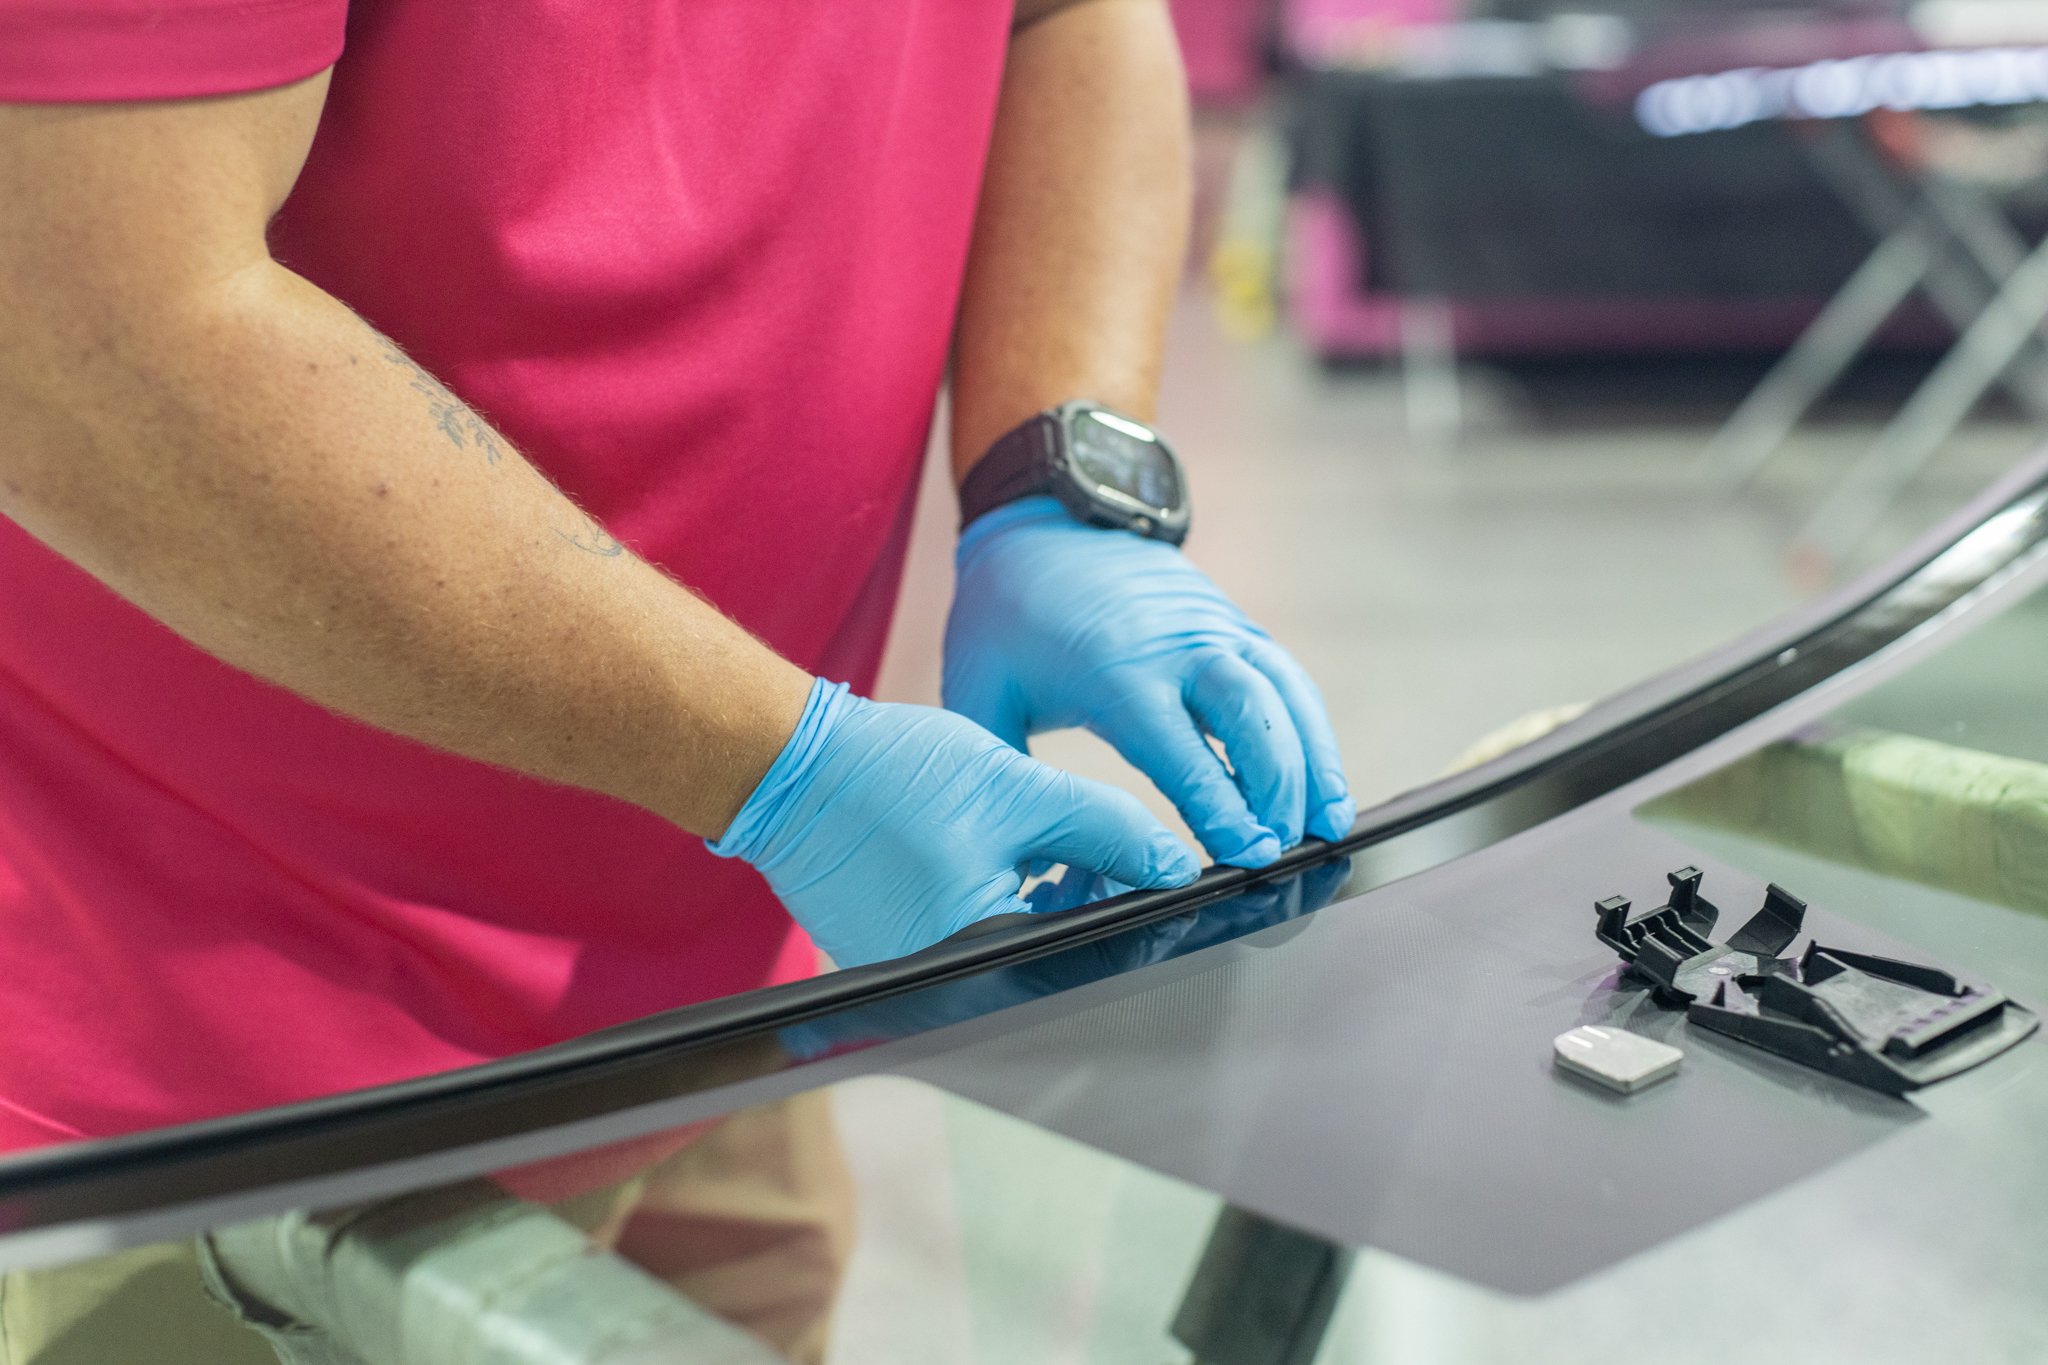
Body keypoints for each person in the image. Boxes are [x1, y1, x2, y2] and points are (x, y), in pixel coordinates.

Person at [0, 0, 1352, 1356]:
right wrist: (783, 767)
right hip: (208, 1096)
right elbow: (72, 332)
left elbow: (1068, 18)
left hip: (721, 993)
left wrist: (1056, 484)